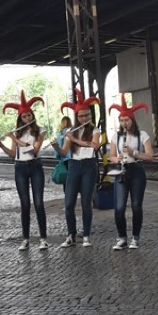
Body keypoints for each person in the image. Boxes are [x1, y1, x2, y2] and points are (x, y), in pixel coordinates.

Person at [0, 90, 50, 250]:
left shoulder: (40, 131)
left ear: (32, 116)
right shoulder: (18, 132)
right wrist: (0, 144)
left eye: (29, 116)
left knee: (39, 203)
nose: (27, 119)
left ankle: (43, 238)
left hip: (35, 166)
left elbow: (34, 149)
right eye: (24, 116)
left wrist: (13, 138)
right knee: (25, 204)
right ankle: (25, 239)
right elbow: (13, 154)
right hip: (20, 167)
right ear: (20, 118)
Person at [108, 95, 155, 250]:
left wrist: (134, 153)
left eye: (126, 120)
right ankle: (122, 237)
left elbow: (150, 156)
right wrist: (117, 159)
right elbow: (111, 156)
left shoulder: (142, 135)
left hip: (137, 171)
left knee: (136, 206)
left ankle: (135, 238)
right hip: (122, 171)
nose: (124, 123)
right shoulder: (116, 136)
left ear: (132, 120)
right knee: (119, 207)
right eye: (121, 120)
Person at [59, 89, 102, 247]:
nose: (84, 118)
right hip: (74, 166)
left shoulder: (95, 130)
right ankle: (71, 234)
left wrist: (75, 140)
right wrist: (56, 146)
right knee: (69, 203)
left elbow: (95, 146)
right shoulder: (71, 131)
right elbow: (64, 152)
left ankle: (86, 235)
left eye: (87, 115)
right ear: (76, 117)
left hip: (89, 166)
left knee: (86, 202)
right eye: (81, 116)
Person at [51, 115, 73, 192]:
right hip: (73, 159)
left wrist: (57, 156)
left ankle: (68, 196)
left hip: (65, 160)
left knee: (66, 182)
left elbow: (58, 150)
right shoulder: (72, 132)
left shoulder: (60, 134)